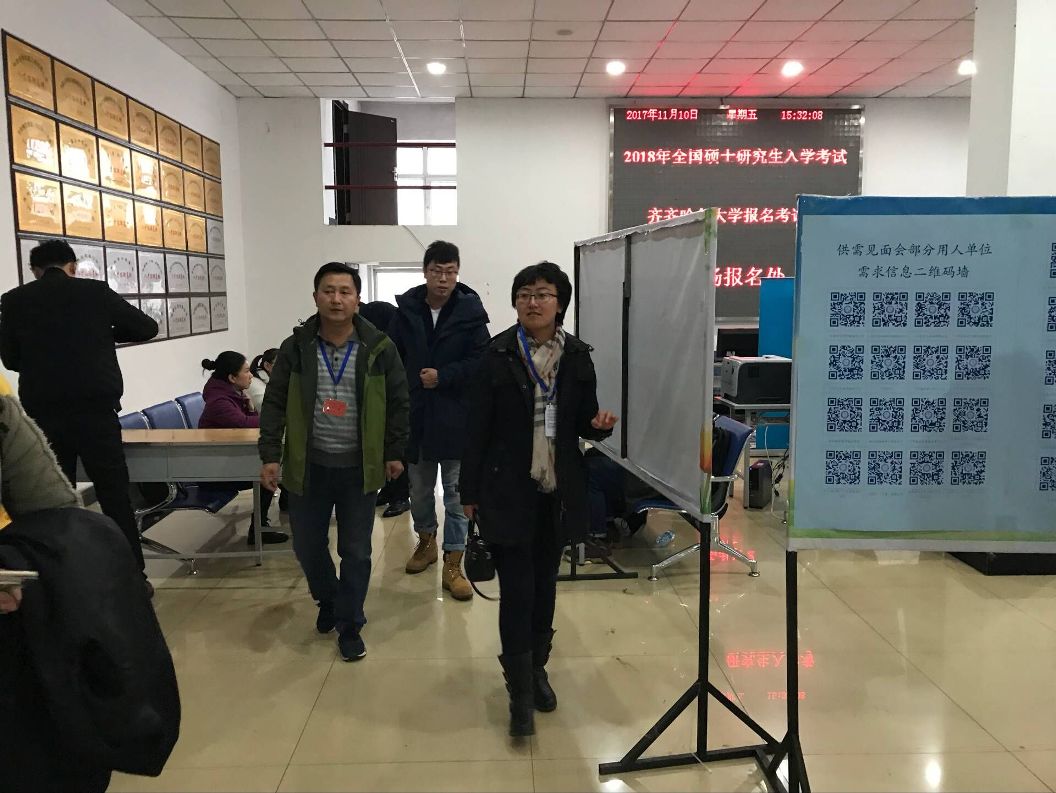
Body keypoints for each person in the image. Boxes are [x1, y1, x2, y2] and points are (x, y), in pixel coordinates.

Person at [460, 261, 618, 737]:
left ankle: (536, 670)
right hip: (506, 488)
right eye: (525, 294)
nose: (533, 302)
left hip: (558, 490)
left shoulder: (578, 357)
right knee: (517, 590)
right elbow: (475, 428)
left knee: (545, 586)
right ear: (515, 302)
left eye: (544, 294)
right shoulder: (495, 355)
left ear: (560, 303)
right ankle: (519, 692)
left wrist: (597, 427)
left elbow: (582, 420)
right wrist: (469, 492)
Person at [259, 262, 409, 662]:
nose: (337, 299)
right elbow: (274, 403)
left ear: (357, 298)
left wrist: (395, 451)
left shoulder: (379, 348)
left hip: (359, 468)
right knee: (307, 546)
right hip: (308, 467)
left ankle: (350, 623)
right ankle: (328, 598)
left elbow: (399, 401)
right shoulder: (297, 348)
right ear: (316, 297)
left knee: (356, 550)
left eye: (345, 291)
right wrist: (270, 454)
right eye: (329, 291)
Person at [0, 239, 158, 594]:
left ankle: (60, 579)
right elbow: (147, 327)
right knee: (114, 495)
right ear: (72, 266)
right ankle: (134, 577)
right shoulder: (95, 293)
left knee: (53, 499)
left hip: (44, 414)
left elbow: (10, 359)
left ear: (34, 270)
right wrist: (102, 333)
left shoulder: (14, 300)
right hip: (96, 411)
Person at [387, 240, 490, 602]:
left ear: (457, 273)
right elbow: (392, 358)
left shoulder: (471, 312)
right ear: (425, 272)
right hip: (416, 415)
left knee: (457, 495)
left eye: (450, 272)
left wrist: (444, 376)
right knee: (418, 490)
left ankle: (454, 563)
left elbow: (482, 361)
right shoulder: (407, 311)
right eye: (436, 271)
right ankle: (426, 541)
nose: (443, 279)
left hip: (457, 416)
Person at [199, 351, 287, 545]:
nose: (251, 375)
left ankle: (284, 504)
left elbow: (247, 422)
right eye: (246, 371)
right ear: (232, 377)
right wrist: (275, 418)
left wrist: (253, 410)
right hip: (215, 470)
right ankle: (258, 530)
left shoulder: (231, 394)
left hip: (225, 460)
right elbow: (244, 423)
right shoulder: (220, 402)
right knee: (268, 471)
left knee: (275, 465)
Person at [358, 300, 409, 518]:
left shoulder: (392, 344)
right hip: (378, 403)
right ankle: (389, 490)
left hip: (394, 403)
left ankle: (400, 496)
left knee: (397, 448)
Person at [248, 348, 278, 413]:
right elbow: (269, 412)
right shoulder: (255, 383)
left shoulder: (271, 381)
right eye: (280, 365)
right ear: (267, 366)